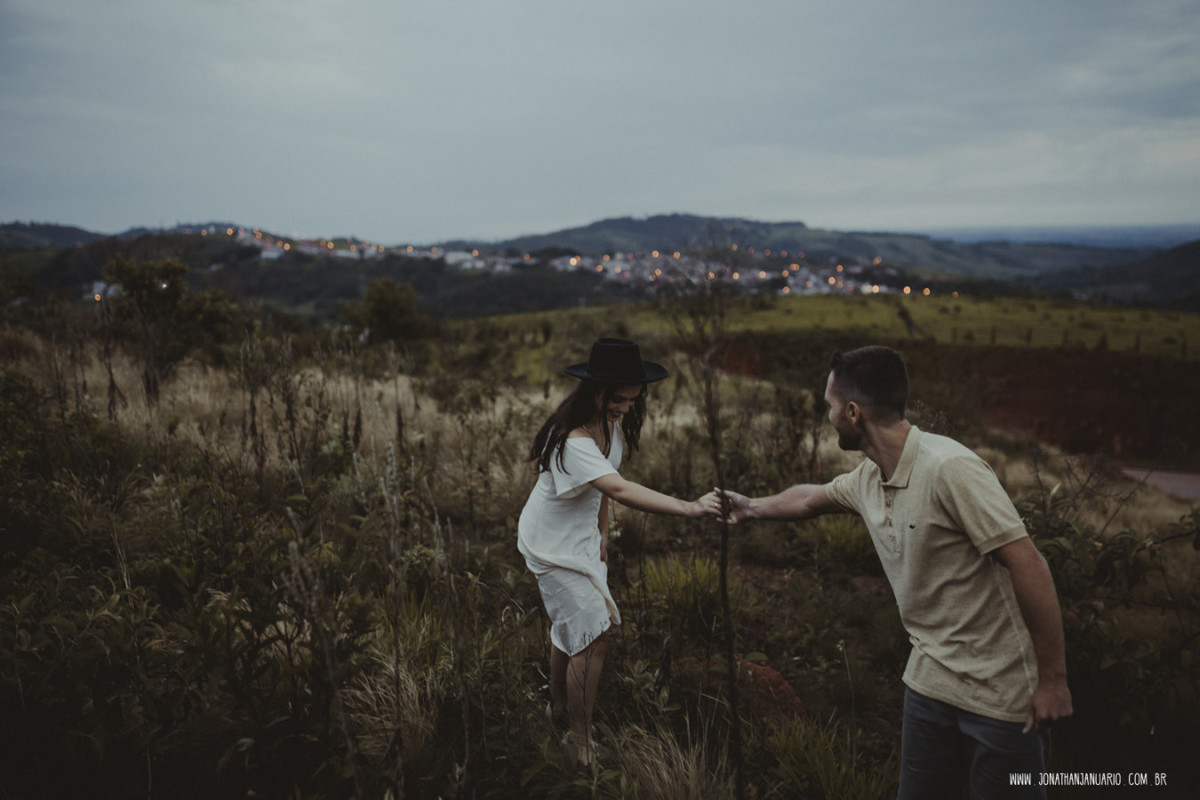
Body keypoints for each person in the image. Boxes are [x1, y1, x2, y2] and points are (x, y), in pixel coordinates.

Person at [713, 345, 1073, 799]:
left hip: (1000, 699)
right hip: (928, 687)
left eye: (829, 406)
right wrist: (750, 507)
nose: (828, 417)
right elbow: (809, 499)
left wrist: (1053, 680)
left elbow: (1028, 562)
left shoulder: (949, 468)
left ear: (853, 412)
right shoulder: (869, 478)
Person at [518, 337, 709, 767]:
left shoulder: (607, 424)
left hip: (580, 535)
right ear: (596, 389)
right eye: (618, 399)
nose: (626, 407)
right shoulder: (572, 439)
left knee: (573, 623)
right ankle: (579, 741)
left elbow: (603, 484)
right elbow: (619, 487)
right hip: (550, 542)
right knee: (594, 634)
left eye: (633, 399)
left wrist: (602, 531)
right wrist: (690, 507)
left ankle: (558, 708)